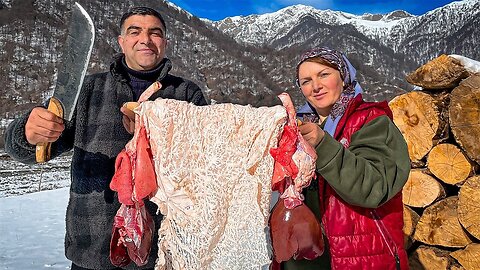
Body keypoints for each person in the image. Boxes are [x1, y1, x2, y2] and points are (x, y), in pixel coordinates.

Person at [5, 6, 207, 270]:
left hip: (162, 251)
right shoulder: (88, 89)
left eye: (155, 33)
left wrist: (157, 136)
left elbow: (203, 166)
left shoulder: (186, 94)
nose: (145, 39)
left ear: (165, 43)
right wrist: (28, 133)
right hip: (92, 246)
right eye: (135, 32)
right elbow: (22, 150)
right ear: (121, 42)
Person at [284, 47, 410, 269]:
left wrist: (323, 145)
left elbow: (372, 188)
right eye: (305, 81)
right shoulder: (296, 129)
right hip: (304, 258)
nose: (315, 86)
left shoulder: (372, 121)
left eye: (324, 74)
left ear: (343, 76)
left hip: (362, 256)